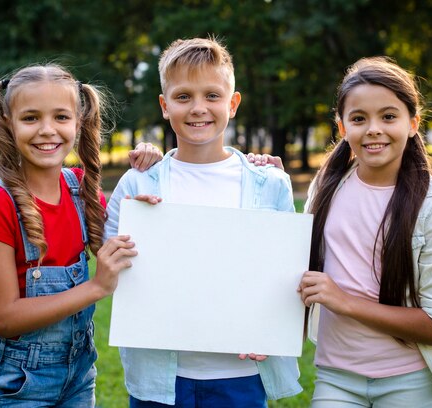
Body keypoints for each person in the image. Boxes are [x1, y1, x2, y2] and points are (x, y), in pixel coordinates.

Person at [104, 37, 302, 407]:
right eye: (183, 97)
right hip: (160, 379)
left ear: (233, 103)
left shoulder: (268, 183)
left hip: (240, 376)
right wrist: (136, 229)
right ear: (165, 106)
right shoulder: (139, 182)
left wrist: (270, 331)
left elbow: (283, 273)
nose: (198, 108)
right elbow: (107, 265)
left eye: (212, 95)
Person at [0, 63, 162, 406]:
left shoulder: (83, 193)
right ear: (8, 123)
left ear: (78, 122)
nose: (47, 130)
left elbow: (137, 246)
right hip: (22, 382)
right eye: (30, 118)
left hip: (80, 373)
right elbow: (4, 318)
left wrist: (150, 181)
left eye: (61, 117)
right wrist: (95, 288)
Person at [298, 57, 432, 407]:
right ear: (342, 127)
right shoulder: (324, 190)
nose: (373, 129)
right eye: (359, 118)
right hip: (336, 377)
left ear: (413, 123)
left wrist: (344, 302)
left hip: (410, 380)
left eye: (389, 116)